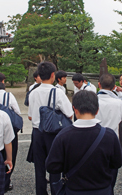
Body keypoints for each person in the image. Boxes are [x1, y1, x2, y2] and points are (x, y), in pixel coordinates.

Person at [46, 90, 122, 195]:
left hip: (73, 190)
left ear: (74, 109)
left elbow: (52, 166)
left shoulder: (63, 135)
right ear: (97, 110)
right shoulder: (109, 135)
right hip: (102, 189)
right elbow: (117, 163)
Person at [27, 61, 74, 195]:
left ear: (40, 75)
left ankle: (41, 192)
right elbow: (70, 114)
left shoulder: (33, 92)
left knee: (39, 166)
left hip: (37, 132)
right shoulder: (57, 92)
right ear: (53, 75)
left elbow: (30, 116)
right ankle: (56, 191)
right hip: (53, 133)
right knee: (55, 165)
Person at [0, 72, 21, 192]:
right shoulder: (8, 95)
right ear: (3, 81)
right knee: (9, 157)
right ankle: (6, 181)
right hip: (8, 131)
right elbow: (17, 112)